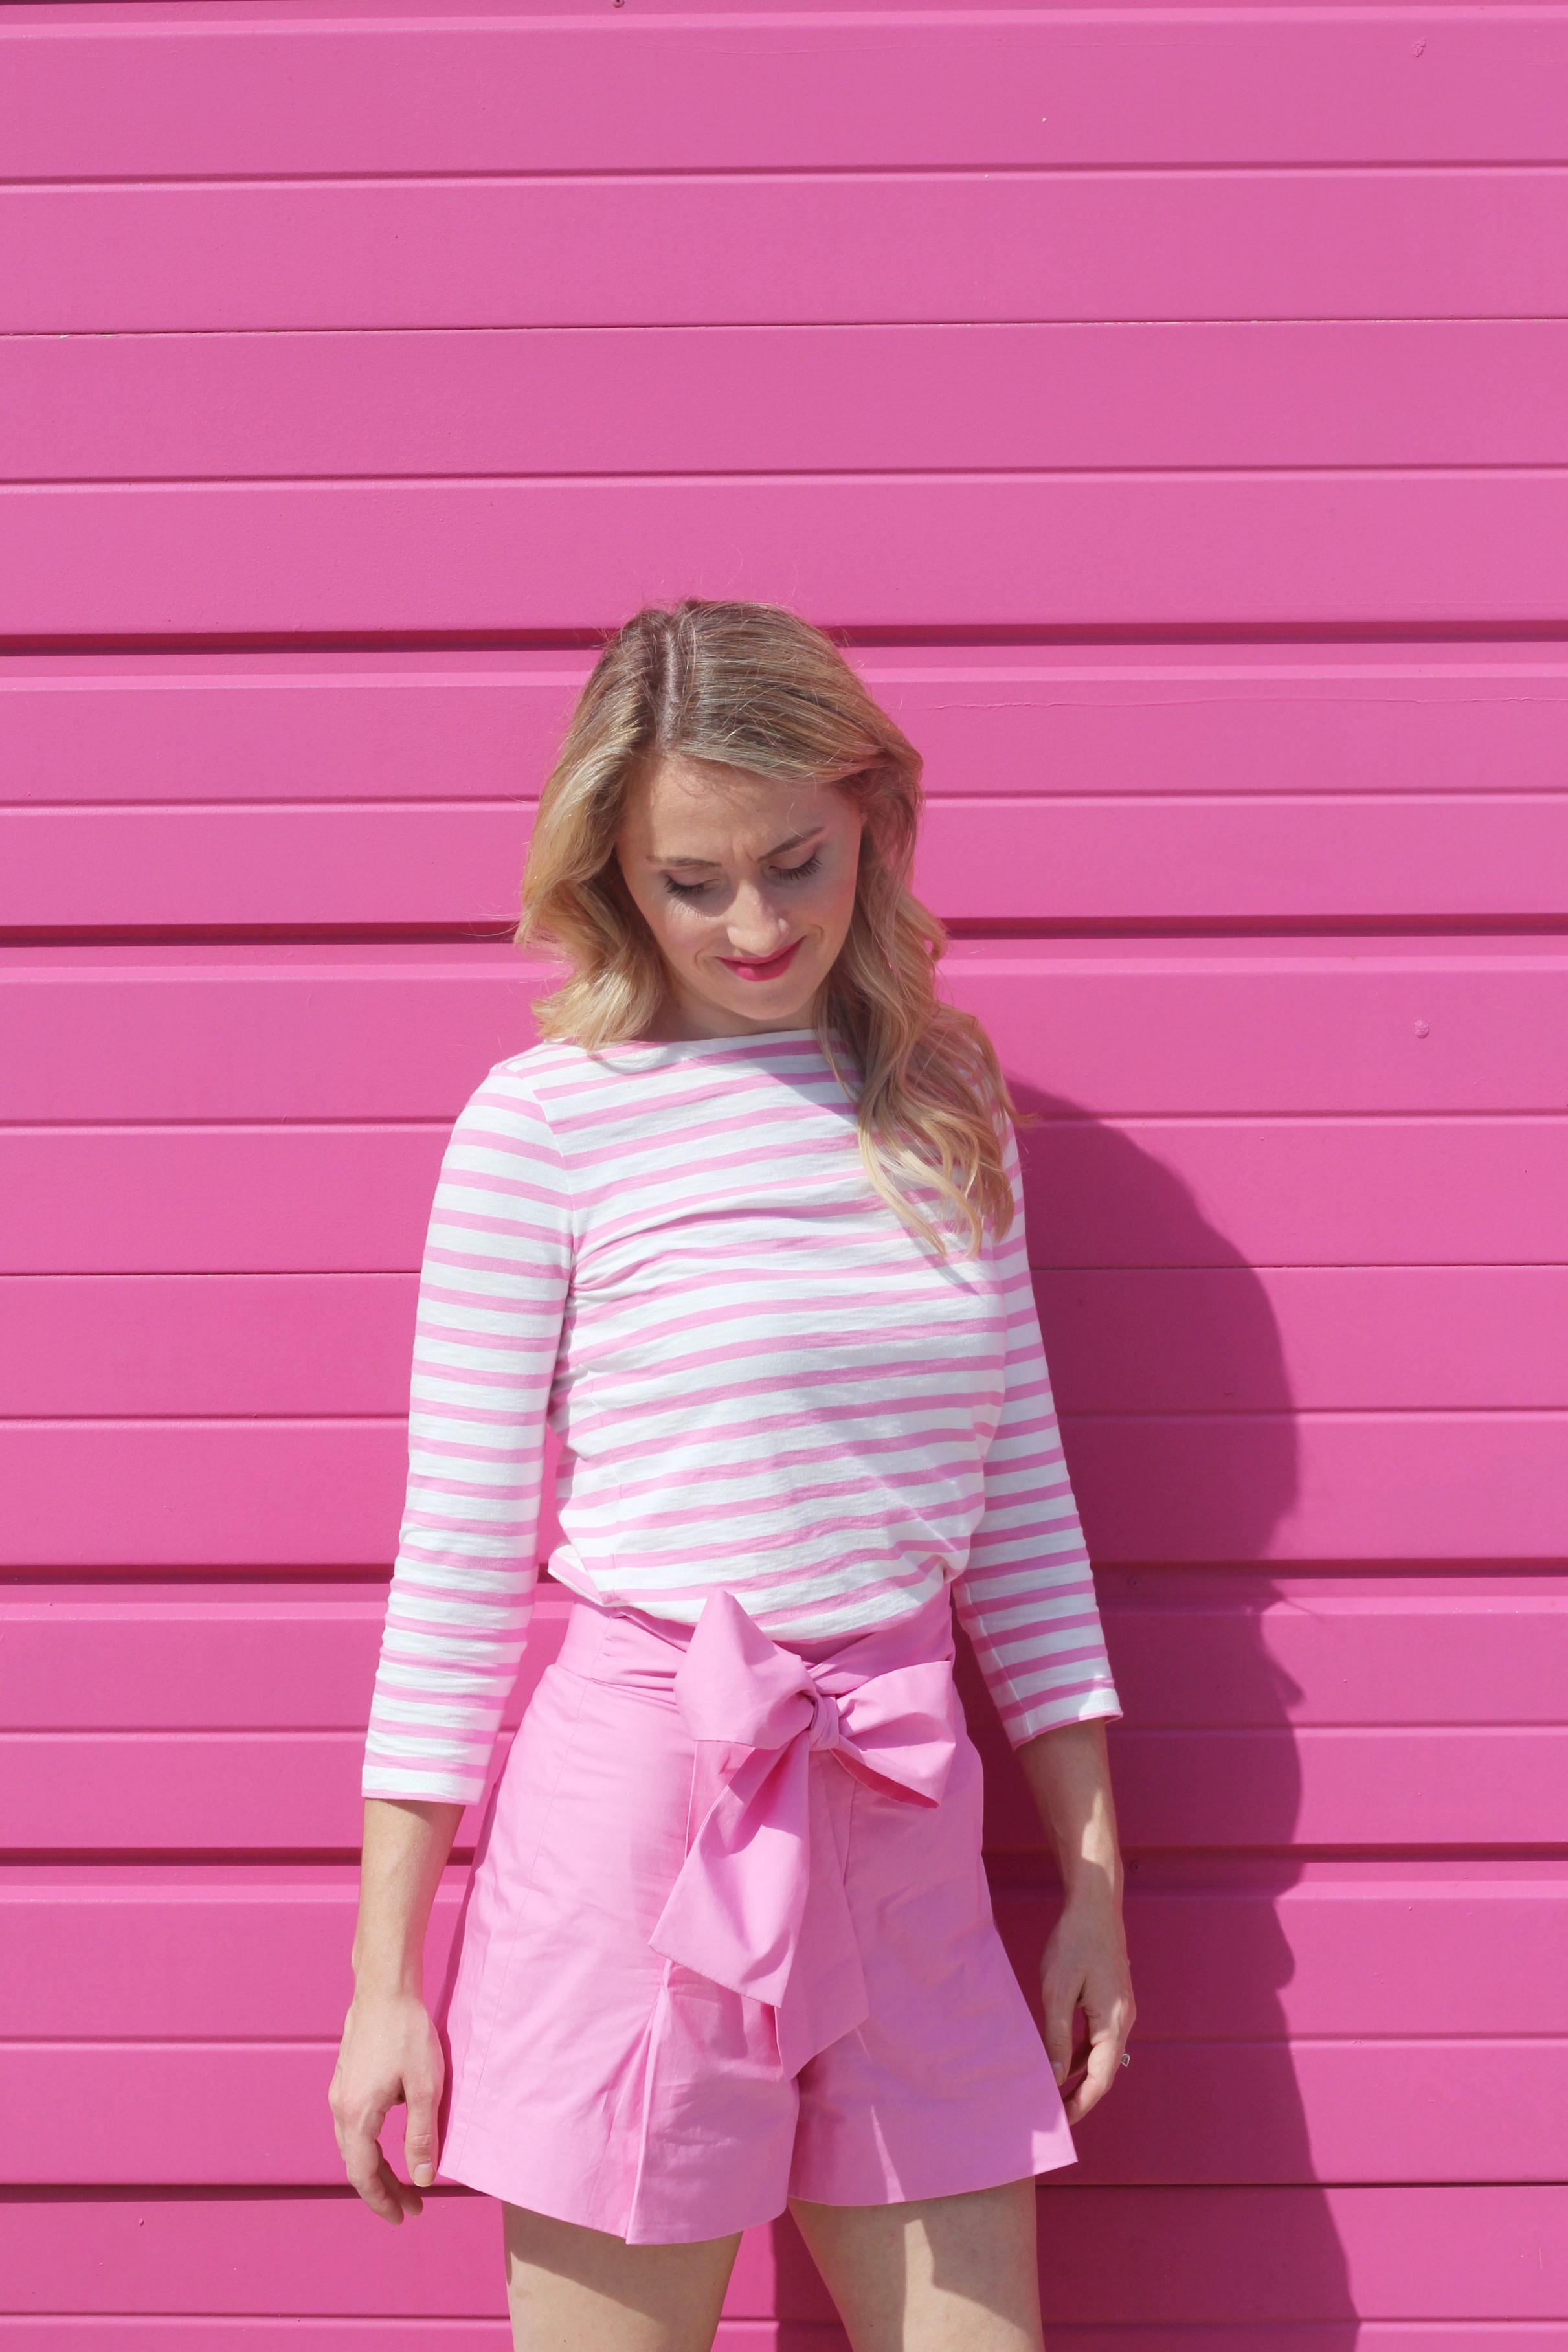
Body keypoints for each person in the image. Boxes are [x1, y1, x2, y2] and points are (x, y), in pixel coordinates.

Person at [329, 599, 1135, 2352]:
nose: (756, 924)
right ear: (614, 867)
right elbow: (458, 1569)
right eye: (695, 880)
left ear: (874, 820)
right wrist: (386, 1980)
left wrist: (1092, 1879)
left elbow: (1019, 1514)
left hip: (908, 1820)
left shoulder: (941, 1098)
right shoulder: (542, 1126)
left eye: (798, 861)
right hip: (642, 1819)